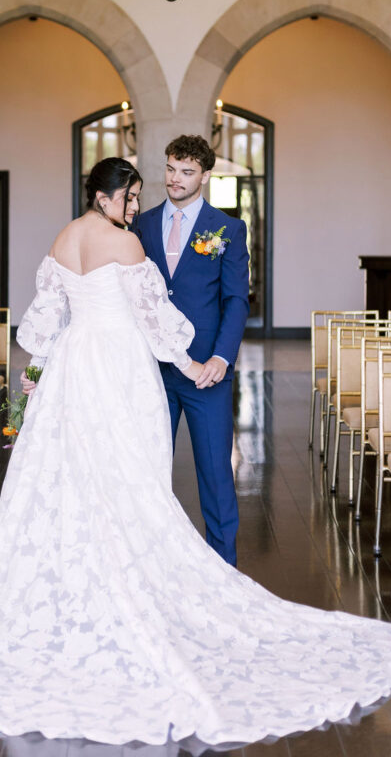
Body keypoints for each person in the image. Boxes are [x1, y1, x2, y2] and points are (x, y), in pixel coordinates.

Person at [0, 156, 391, 746]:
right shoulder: (127, 249)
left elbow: (40, 327)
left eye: (140, 198)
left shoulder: (63, 240)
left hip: (70, 370)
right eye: (131, 198)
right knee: (129, 482)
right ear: (103, 197)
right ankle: (128, 587)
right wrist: (196, 366)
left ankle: (74, 594)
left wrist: (28, 390)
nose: (137, 207)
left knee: (71, 483)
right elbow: (159, 327)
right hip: (120, 372)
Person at [132, 134, 248, 567]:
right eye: (169, 169)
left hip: (206, 373)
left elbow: (236, 300)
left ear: (205, 175)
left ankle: (224, 571)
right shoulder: (140, 225)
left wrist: (221, 358)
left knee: (216, 475)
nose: (175, 179)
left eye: (186, 172)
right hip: (152, 369)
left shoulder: (228, 229)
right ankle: (149, 565)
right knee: (147, 470)